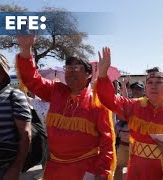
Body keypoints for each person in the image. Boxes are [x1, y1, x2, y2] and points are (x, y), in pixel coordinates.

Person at [15, 35, 116, 180]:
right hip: (54, 169)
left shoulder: (98, 102)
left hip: (84, 170)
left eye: (75, 67)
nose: (70, 71)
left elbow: (107, 142)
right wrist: (26, 49)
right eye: (68, 67)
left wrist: (102, 172)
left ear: (88, 74)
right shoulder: (56, 90)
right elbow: (32, 79)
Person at [96, 47, 163, 179]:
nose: (154, 86)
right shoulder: (135, 106)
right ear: (145, 88)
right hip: (136, 169)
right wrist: (102, 74)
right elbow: (109, 100)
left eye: (159, 82)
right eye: (150, 82)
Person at [0, 51, 32, 180]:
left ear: (1, 70)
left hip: (2, 169)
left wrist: (16, 169)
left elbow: (25, 136)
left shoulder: (14, 95)